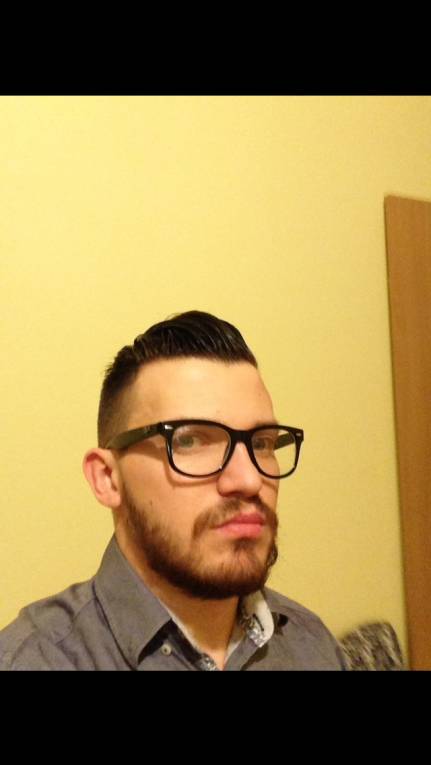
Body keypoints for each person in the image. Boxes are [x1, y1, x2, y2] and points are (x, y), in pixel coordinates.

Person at [0, 311, 347, 671]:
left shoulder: (312, 647)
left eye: (261, 444)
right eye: (190, 440)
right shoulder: (32, 661)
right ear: (107, 478)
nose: (248, 480)